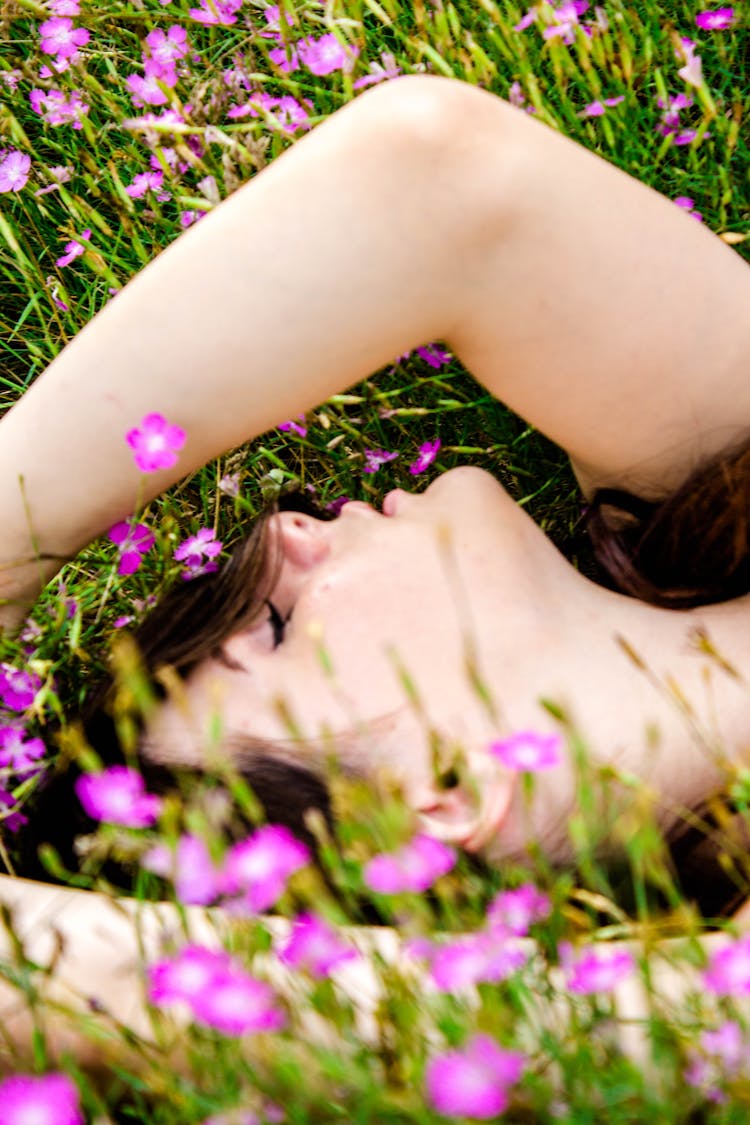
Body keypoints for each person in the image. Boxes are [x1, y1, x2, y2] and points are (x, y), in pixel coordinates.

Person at [1, 72, 750, 1071]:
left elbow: (439, 176)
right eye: (275, 627)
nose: (281, 532)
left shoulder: (710, 504)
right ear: (440, 793)